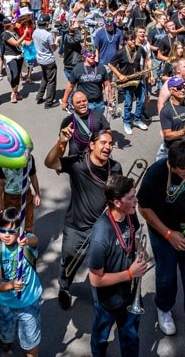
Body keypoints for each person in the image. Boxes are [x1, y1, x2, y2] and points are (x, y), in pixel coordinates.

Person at [137, 140, 185, 336]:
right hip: (164, 234)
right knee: (166, 276)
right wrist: (168, 234)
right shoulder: (155, 174)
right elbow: (143, 208)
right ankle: (163, 308)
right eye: (181, 169)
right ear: (170, 163)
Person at [44, 129, 122, 310]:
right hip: (77, 227)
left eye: (110, 144)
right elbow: (50, 163)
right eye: (103, 143)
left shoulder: (115, 167)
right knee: (70, 260)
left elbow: (117, 194)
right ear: (92, 145)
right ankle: (64, 287)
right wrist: (61, 142)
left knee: (105, 264)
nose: (108, 147)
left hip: (103, 228)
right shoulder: (78, 164)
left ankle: (104, 297)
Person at [88, 173, 151, 357]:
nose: (136, 201)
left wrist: (140, 250)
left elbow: (134, 236)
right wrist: (130, 273)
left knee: (130, 336)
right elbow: (95, 279)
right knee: (101, 335)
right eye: (131, 197)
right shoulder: (100, 235)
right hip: (108, 297)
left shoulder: (129, 214)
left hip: (129, 292)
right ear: (117, 202)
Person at [0, 207, 42, 357]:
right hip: (6, 304)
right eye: (2, 230)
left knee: (31, 343)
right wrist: (11, 284)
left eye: (12, 231)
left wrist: (26, 241)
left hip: (29, 302)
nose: (6, 235)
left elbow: (35, 241)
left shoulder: (26, 243)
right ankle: (4, 340)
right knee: (5, 334)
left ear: (19, 230)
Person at [108, 29, 150, 135]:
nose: (133, 42)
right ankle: (126, 122)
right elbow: (110, 64)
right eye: (130, 40)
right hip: (127, 81)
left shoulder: (140, 49)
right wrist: (120, 75)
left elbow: (146, 58)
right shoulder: (121, 52)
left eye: (133, 40)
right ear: (126, 41)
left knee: (141, 100)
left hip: (138, 79)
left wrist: (144, 70)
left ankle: (137, 119)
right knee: (128, 102)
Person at [0, 152, 41, 232]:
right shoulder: (2, 162)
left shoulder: (29, 158)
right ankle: (13, 242)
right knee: (10, 224)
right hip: (9, 198)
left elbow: (33, 176)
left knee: (28, 223)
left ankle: (29, 240)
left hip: (26, 195)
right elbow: (0, 185)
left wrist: (37, 193)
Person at [158, 75, 185, 161]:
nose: (182, 89)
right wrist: (183, 132)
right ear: (171, 90)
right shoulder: (166, 111)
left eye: (183, 87)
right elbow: (167, 135)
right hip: (174, 151)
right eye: (178, 88)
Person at [59, 90, 112, 157]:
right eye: (78, 102)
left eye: (84, 101)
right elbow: (62, 145)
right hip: (77, 161)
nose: (82, 104)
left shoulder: (98, 115)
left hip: (97, 158)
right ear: (72, 105)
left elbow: (108, 131)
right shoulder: (68, 121)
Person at [62, 46, 111, 115]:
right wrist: (64, 101)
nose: (92, 56)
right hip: (85, 104)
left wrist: (110, 100)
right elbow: (70, 86)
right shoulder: (78, 69)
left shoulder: (101, 67)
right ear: (84, 56)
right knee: (87, 124)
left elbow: (106, 85)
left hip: (99, 103)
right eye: (90, 55)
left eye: (94, 54)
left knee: (98, 124)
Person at [32, 13, 59, 108]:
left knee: (44, 78)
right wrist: (57, 41)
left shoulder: (35, 32)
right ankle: (49, 102)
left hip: (40, 59)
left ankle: (39, 97)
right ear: (47, 23)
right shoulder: (48, 35)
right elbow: (54, 49)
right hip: (48, 60)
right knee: (51, 81)